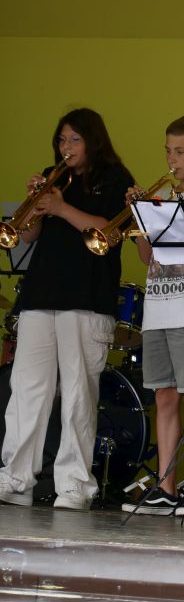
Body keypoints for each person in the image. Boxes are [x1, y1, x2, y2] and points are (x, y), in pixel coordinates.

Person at [0, 108, 134, 509]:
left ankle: (75, 485)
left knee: (78, 394)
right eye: (61, 139)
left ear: (93, 140)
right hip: (40, 295)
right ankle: (16, 478)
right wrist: (32, 208)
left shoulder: (115, 178)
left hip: (87, 299)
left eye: (74, 139)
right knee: (26, 390)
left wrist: (60, 208)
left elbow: (108, 230)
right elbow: (29, 235)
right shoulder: (53, 176)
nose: (66, 147)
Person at [121, 115, 184, 518]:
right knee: (163, 396)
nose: (171, 160)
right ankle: (165, 486)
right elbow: (147, 257)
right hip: (158, 306)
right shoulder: (160, 198)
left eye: (180, 152)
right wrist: (139, 217)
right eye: (168, 151)